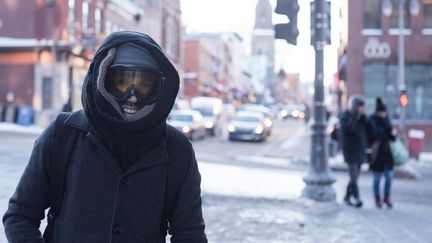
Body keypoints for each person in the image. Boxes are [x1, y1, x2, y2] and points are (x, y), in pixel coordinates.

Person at [3, 31, 207, 243]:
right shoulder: (63, 134)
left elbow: (190, 234)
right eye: (121, 82)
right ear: (102, 79)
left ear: (159, 89)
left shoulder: (177, 149)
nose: (133, 96)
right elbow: (20, 215)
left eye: (145, 85)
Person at [339, 95, 370, 208]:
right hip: (350, 151)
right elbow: (348, 130)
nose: (362, 109)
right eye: (361, 107)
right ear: (355, 107)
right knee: (353, 176)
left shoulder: (362, 118)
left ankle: (347, 197)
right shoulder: (346, 117)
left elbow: (369, 131)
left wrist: (364, 119)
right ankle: (357, 198)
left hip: (360, 151)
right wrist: (355, 118)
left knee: (355, 176)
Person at [369, 98, 396, 208]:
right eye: (382, 112)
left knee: (389, 176)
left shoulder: (387, 120)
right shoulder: (372, 120)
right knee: (376, 179)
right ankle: (377, 198)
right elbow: (375, 135)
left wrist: (387, 124)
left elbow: (392, 137)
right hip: (376, 154)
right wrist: (383, 122)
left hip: (387, 153)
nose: (383, 114)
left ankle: (386, 196)